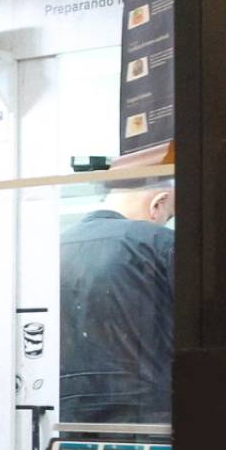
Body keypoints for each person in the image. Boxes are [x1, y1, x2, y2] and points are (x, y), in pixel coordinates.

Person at [59, 178, 175, 425]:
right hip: (148, 410)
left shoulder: (57, 247)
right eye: (169, 215)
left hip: (70, 408)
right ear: (158, 204)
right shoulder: (161, 242)